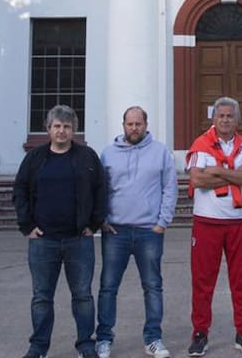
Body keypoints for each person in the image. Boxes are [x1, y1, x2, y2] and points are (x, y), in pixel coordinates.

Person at [13, 105, 107, 358]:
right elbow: (20, 191)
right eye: (57, 126)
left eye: (67, 126)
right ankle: (39, 347)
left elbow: (101, 190)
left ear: (74, 130)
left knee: (83, 296)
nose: (62, 131)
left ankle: (86, 345)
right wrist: (27, 226)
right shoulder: (35, 158)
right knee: (42, 297)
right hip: (44, 241)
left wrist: (94, 224)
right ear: (48, 129)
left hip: (79, 239)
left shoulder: (87, 157)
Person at [95, 106, 178, 358]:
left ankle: (153, 338)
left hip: (148, 232)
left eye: (138, 124)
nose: (134, 128)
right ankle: (104, 339)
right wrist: (103, 219)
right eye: (130, 124)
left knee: (153, 286)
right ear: (123, 125)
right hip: (115, 231)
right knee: (108, 286)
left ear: (146, 124)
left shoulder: (160, 152)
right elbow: (99, 190)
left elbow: (170, 187)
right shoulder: (108, 154)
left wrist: (162, 222)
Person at [186, 96, 242, 357]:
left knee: (241, 281)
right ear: (213, 118)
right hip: (207, 222)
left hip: (239, 222)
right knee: (203, 281)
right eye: (221, 116)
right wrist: (235, 175)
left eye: (230, 116)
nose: (226, 120)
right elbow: (196, 179)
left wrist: (217, 172)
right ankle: (200, 333)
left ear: (237, 119)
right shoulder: (200, 144)